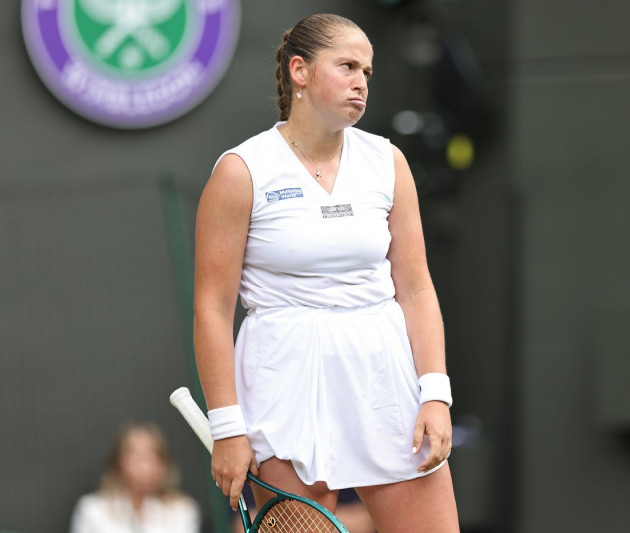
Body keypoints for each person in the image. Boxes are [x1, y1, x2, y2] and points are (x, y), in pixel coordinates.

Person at [193, 13, 459, 533]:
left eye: (367, 70)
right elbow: (212, 307)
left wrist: (435, 394)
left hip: (383, 377)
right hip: (282, 379)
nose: (361, 81)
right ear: (300, 71)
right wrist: (227, 427)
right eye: (347, 66)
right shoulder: (241, 171)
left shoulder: (388, 162)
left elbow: (417, 287)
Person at [69, 422, 200, 533]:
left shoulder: (183, 511)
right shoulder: (92, 510)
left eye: (154, 456)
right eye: (138, 457)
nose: (147, 465)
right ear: (119, 462)